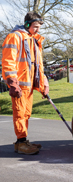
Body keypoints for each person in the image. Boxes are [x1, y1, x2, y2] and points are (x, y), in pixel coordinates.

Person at [1, 11, 49, 155]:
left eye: (39, 26)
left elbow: (38, 66)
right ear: (27, 24)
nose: (38, 29)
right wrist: (13, 83)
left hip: (29, 86)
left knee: (26, 114)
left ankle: (21, 142)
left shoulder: (34, 40)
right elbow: (8, 61)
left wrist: (44, 84)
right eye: (35, 26)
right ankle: (21, 143)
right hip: (19, 85)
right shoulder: (15, 37)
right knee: (20, 114)